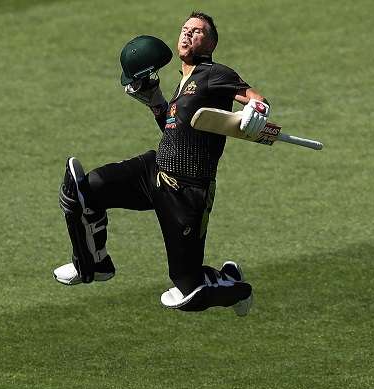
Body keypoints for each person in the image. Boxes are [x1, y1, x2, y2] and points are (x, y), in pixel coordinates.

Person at [54, 12, 270, 316]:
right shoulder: (184, 82)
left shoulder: (214, 73)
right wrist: (154, 99)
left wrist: (257, 110)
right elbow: (174, 130)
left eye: (197, 31)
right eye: (184, 29)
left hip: (187, 190)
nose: (187, 34)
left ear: (211, 42)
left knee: (188, 291)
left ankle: (234, 286)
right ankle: (93, 263)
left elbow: (254, 98)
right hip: (154, 170)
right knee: (84, 189)